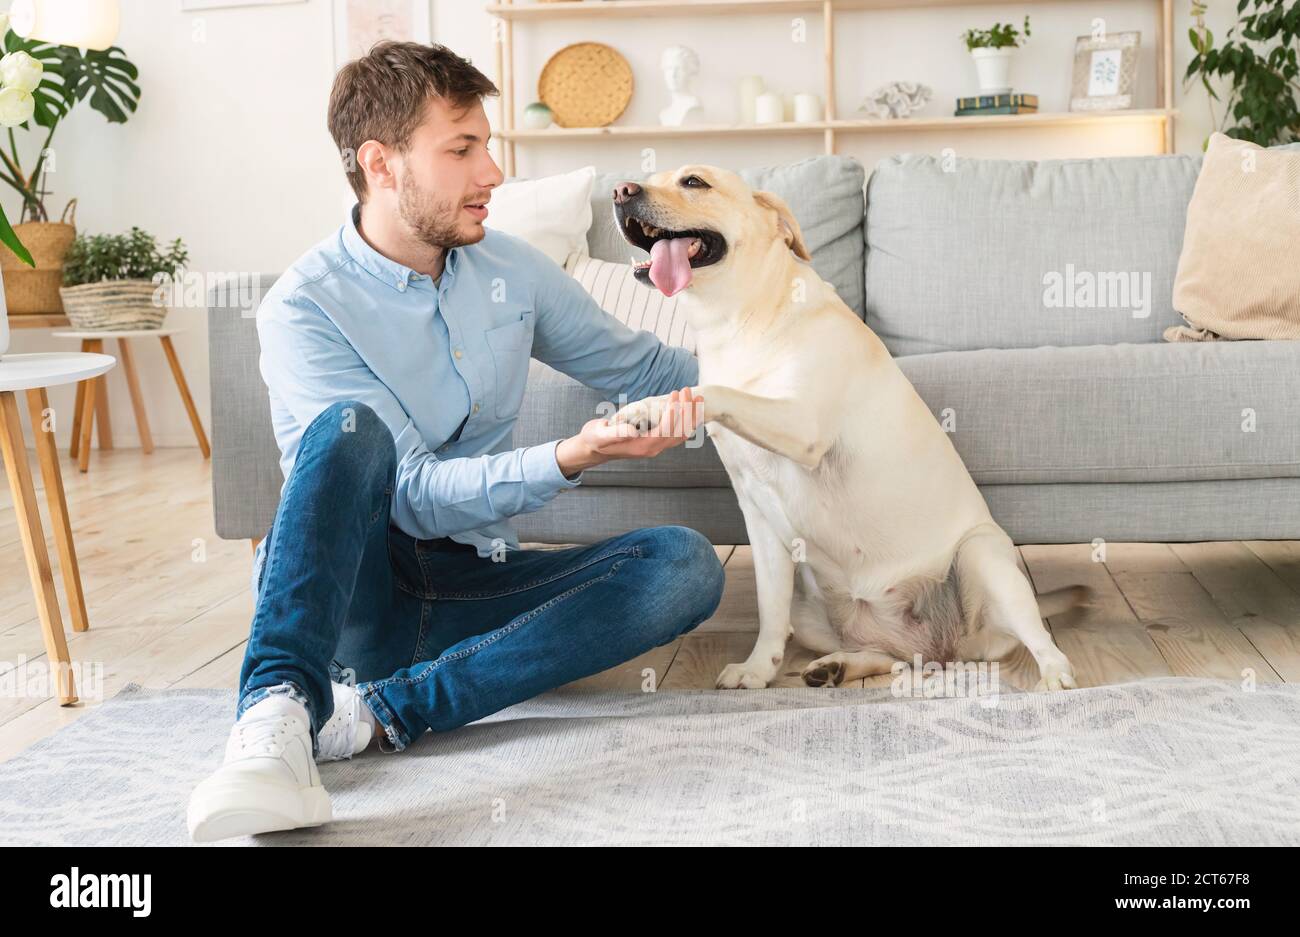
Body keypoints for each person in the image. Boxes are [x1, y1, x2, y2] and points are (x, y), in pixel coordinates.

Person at [186, 41, 725, 842]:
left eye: (489, 145)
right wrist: (569, 456)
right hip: (355, 603)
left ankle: (372, 717)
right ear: (382, 164)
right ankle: (273, 716)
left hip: (472, 583)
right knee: (348, 430)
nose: (494, 173)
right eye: (463, 148)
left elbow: (645, 363)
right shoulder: (304, 308)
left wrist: (798, 367)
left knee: (682, 566)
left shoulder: (513, 270)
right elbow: (409, 490)